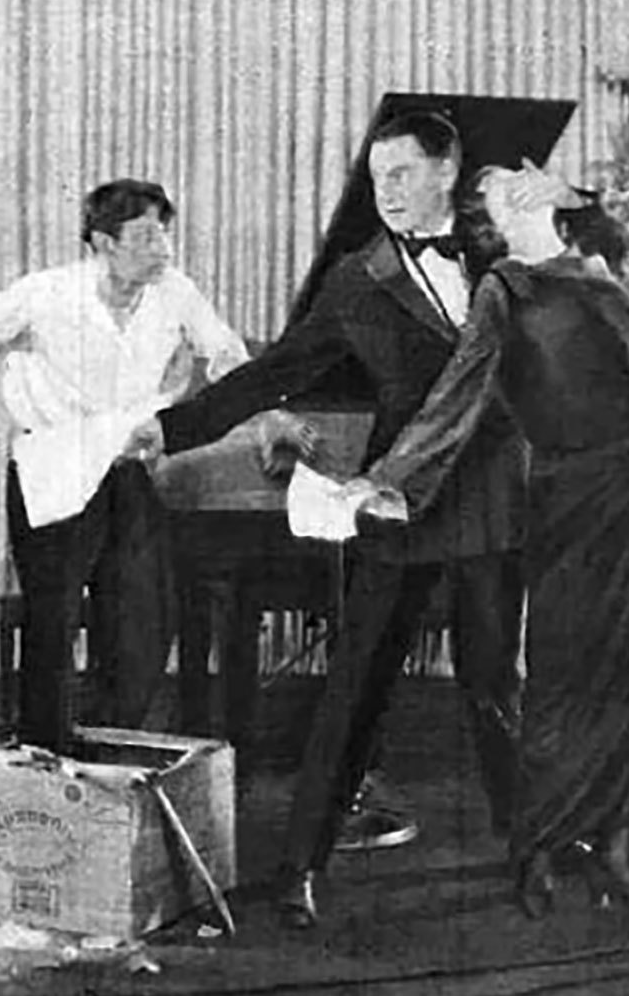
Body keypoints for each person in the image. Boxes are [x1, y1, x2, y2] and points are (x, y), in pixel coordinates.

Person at [127, 110, 535, 928]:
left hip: (492, 499)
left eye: (403, 174)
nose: (385, 191)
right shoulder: (359, 278)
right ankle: (298, 870)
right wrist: (172, 429)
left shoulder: (509, 254)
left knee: (495, 686)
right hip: (397, 505)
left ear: (447, 170)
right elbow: (274, 373)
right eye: (376, 176)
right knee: (356, 688)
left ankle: (531, 853)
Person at [354, 167, 629, 922]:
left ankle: (621, 861)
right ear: (491, 219)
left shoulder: (602, 266)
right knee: (564, 678)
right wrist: (390, 478)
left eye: (531, 178)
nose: (525, 187)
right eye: (506, 188)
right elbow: (458, 395)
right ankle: (536, 846)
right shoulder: (504, 289)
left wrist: (574, 194)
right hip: (572, 500)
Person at [0, 179, 248, 754]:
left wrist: (224, 406)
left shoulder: (175, 292)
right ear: (104, 242)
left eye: (165, 234)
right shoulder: (46, 294)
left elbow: (226, 353)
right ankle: (44, 758)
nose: (164, 249)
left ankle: (110, 747)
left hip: (127, 470)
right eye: (148, 236)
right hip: (51, 471)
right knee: (51, 625)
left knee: (143, 621)